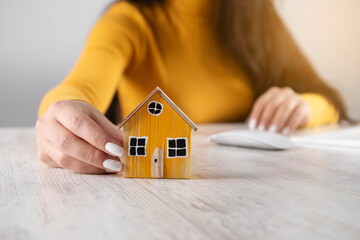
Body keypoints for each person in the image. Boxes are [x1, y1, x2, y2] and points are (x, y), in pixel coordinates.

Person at [36, 0, 349, 174]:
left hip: (260, 188)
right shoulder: (131, 20)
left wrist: (306, 106)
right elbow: (79, 87)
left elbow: (327, 99)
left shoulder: (260, 21)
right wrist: (62, 113)